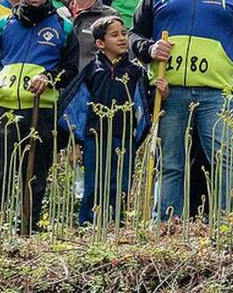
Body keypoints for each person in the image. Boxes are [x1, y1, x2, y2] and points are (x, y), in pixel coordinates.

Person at [130, 0, 233, 219]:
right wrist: (149, 49)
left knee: (226, 160)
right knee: (171, 163)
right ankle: (166, 226)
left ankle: (231, 224)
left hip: (218, 94)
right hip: (169, 92)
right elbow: (134, 35)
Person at [0, 0, 79, 227]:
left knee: (35, 174)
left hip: (41, 111)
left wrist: (48, 77)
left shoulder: (64, 28)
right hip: (3, 111)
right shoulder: (2, 25)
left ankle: (27, 226)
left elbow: (71, 70)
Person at [58, 16, 167, 225]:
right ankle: (88, 225)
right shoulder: (92, 71)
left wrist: (163, 92)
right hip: (95, 139)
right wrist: (75, 143)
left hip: (123, 138)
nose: (122, 39)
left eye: (124, 34)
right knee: (94, 184)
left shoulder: (136, 72)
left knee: (121, 184)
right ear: (100, 43)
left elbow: (146, 104)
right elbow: (77, 107)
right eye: (114, 35)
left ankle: (116, 225)